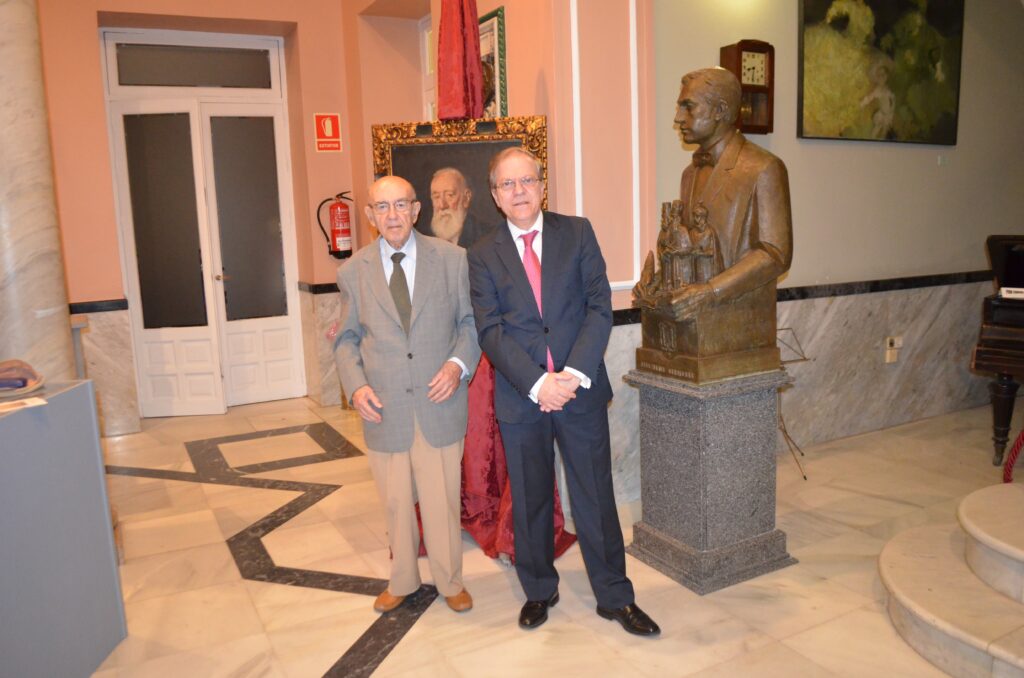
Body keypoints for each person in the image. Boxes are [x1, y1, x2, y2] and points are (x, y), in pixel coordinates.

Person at [467, 147, 660, 636]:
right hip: (522, 396)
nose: (519, 191)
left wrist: (571, 375)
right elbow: (490, 330)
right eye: (507, 185)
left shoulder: (576, 232)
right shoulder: (483, 252)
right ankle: (539, 589)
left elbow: (599, 307)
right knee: (531, 498)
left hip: (578, 393)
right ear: (495, 195)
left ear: (542, 185)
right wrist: (537, 384)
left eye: (527, 181)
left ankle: (615, 596)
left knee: (595, 495)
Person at [334, 176, 480, 614]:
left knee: (441, 500)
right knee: (396, 502)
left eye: (401, 205)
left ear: (417, 210)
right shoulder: (351, 271)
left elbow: (470, 325)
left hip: (440, 402)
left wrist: (457, 366)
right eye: (382, 207)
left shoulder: (453, 260)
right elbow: (345, 339)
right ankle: (402, 580)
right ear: (370, 215)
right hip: (385, 406)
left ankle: (450, 581)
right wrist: (355, 385)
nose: (392, 215)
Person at [666, 67, 792, 321]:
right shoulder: (689, 174)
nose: (678, 118)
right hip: (698, 327)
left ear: (720, 111)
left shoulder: (763, 167)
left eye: (688, 107)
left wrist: (711, 291)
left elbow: (775, 254)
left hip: (741, 323)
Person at [425, 167, 493, 248]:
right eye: (436, 197)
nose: (442, 205)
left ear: (466, 198)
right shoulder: (425, 241)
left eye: (449, 195)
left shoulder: (487, 237)